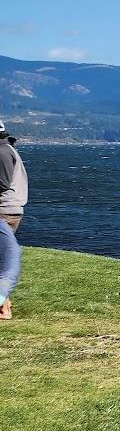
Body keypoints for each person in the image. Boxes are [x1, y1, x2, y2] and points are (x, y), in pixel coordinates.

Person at [0, 121, 27, 321]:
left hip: (3, 211)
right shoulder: (6, 149)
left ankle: (4, 308)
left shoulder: (2, 153)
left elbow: (1, 184)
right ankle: (4, 305)